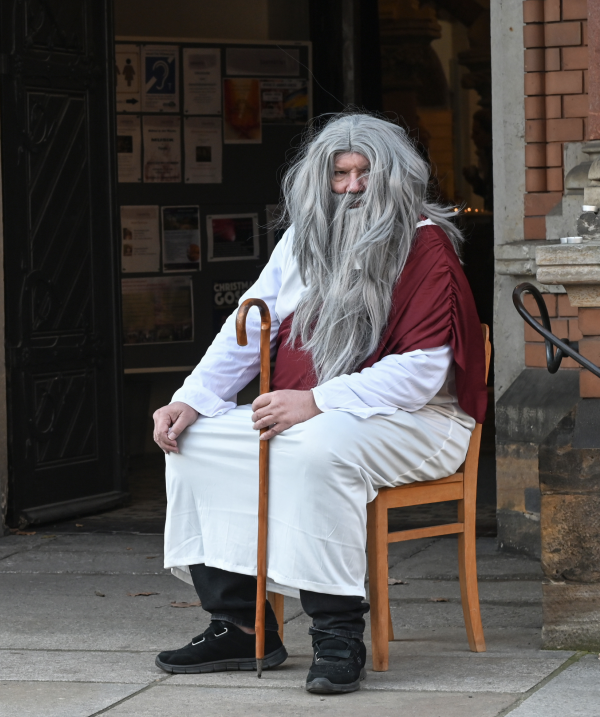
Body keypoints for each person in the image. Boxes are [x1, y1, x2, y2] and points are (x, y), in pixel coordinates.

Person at [151, 113, 487, 694]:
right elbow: (250, 327)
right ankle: (240, 623)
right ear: (321, 178)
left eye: (365, 173)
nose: (353, 187)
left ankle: (337, 635)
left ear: (394, 177)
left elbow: (422, 373)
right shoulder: (303, 240)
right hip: (320, 412)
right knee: (196, 439)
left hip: (421, 419)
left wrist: (318, 400)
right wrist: (191, 399)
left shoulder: (426, 247)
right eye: (340, 174)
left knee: (316, 449)